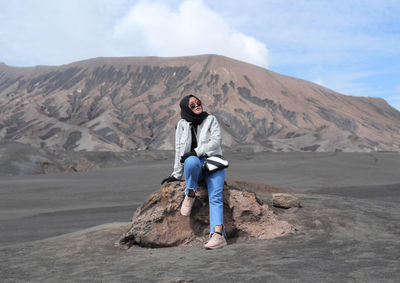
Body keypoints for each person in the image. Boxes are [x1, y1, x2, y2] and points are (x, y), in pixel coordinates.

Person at [161, 94, 227, 249]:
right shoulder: (182, 125)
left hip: (213, 163)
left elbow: (215, 142)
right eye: (192, 105)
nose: (197, 105)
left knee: (215, 197)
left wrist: (196, 151)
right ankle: (190, 193)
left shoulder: (211, 120)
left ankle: (218, 236)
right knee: (190, 161)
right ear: (186, 108)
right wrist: (176, 174)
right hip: (195, 165)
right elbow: (179, 150)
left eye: (198, 102)